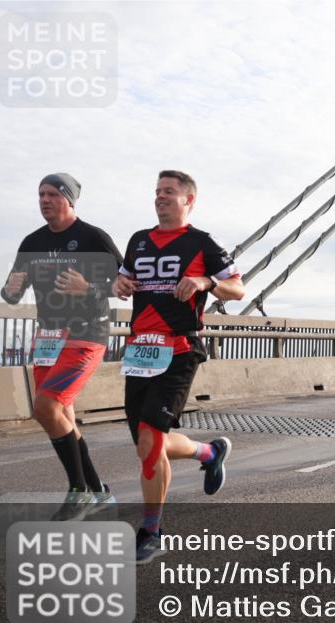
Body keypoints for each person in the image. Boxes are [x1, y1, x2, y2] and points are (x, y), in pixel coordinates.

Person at [114, 170, 245, 564]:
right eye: (157, 191)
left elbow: (238, 288)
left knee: (151, 441)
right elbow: (123, 281)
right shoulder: (139, 240)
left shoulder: (201, 242)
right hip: (139, 351)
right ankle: (208, 453)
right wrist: (119, 286)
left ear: (189, 200)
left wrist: (205, 282)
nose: (160, 197)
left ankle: (151, 531)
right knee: (146, 445)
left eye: (169, 192)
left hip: (180, 349)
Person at [1, 173, 123, 521]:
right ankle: (97, 490)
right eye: (40, 194)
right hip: (48, 338)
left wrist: (88, 287)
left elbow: (128, 283)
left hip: (86, 334)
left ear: (69, 199)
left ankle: (79, 491)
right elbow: (11, 294)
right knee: (61, 415)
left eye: (53, 194)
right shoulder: (32, 242)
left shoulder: (92, 237)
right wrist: (11, 289)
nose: (44, 200)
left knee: (45, 407)